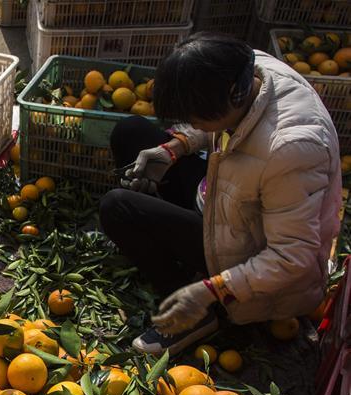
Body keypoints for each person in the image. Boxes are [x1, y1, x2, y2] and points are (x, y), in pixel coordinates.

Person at [100, 33, 342, 355]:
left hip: (256, 260)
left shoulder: (292, 149)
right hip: (228, 200)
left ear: (235, 95)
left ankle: (197, 312)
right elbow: (211, 121)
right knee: (130, 132)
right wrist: (175, 148)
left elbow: (291, 259)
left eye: (197, 118)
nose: (193, 124)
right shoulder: (247, 69)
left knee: (118, 208)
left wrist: (210, 291)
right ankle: (168, 249)